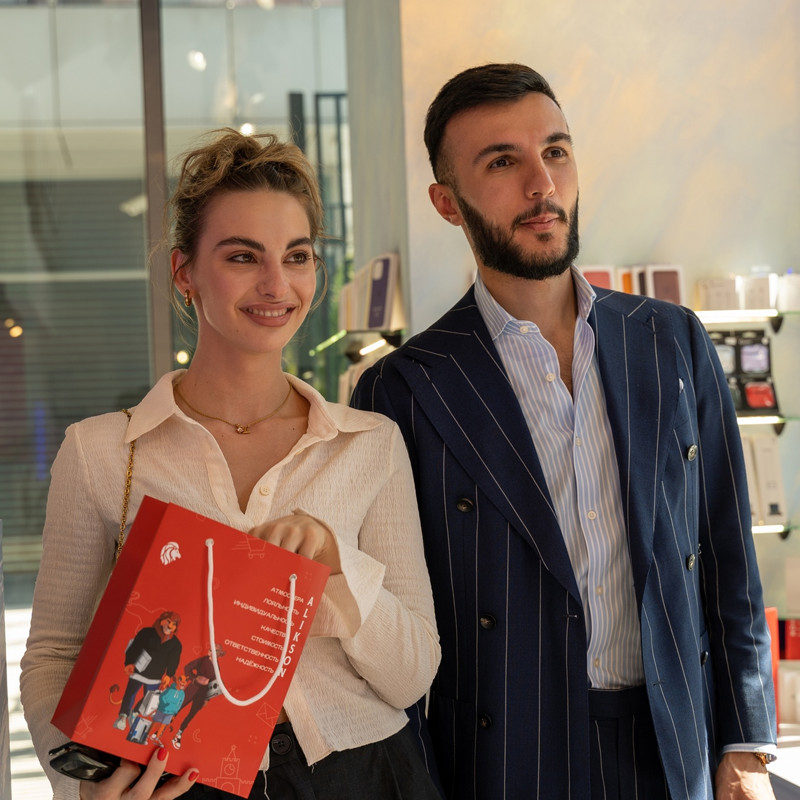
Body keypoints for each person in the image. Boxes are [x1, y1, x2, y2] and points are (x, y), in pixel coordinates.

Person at [350, 63, 777, 800]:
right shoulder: (406, 387)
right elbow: (396, 622)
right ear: (447, 203)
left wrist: (745, 746)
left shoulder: (671, 340)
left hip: (672, 747)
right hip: (501, 758)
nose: (541, 183)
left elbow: (726, 553)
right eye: (502, 162)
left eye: (555, 151)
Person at [21, 128, 442, 800]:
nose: (276, 284)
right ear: (184, 272)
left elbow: (412, 675)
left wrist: (336, 564)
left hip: (364, 772)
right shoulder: (102, 452)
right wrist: (82, 782)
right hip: (174, 779)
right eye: (243, 256)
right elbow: (53, 657)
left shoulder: (369, 443)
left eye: (297, 256)